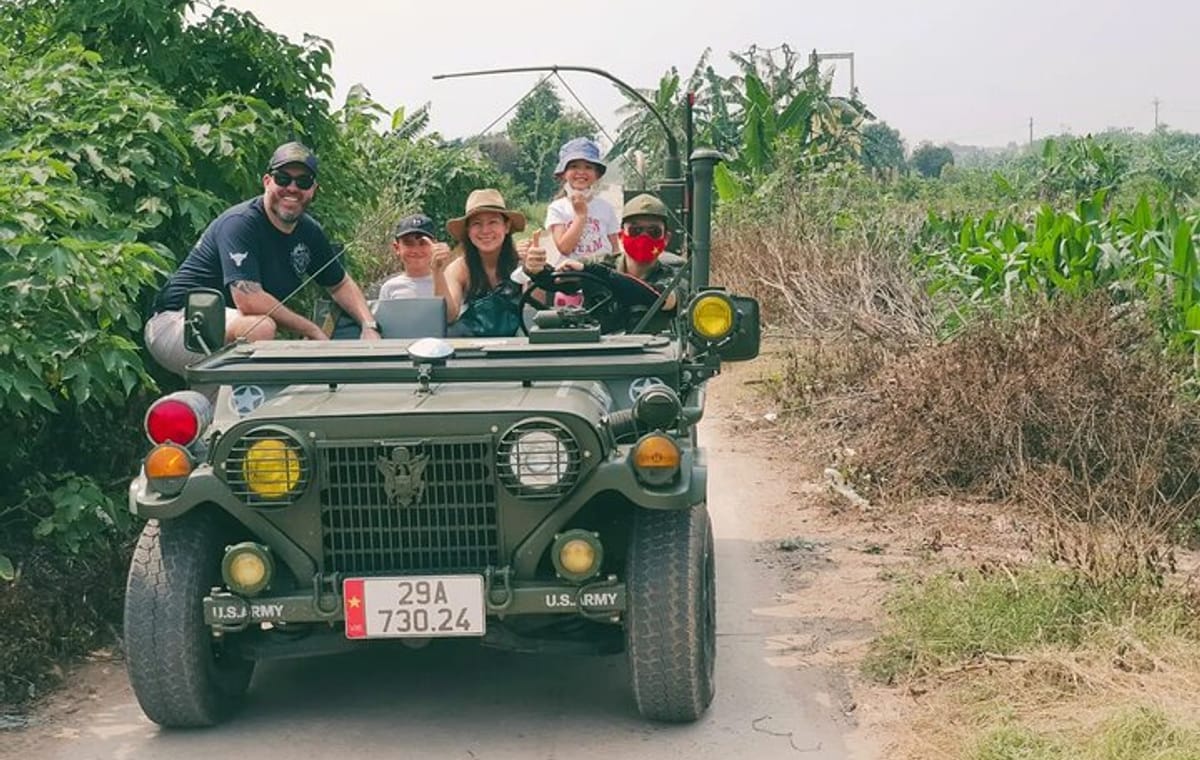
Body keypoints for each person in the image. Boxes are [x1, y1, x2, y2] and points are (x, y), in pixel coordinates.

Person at [144, 141, 380, 376]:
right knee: (261, 328)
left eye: (303, 182)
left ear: (314, 189)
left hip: (227, 329)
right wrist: (313, 330)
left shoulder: (310, 232)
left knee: (258, 378)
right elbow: (249, 300)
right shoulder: (240, 223)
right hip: (178, 324)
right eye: (283, 179)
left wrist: (369, 327)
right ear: (267, 181)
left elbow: (339, 283)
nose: (293, 188)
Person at [523, 193, 683, 334]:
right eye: (635, 231)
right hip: (597, 358)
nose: (644, 237)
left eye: (654, 232)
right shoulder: (599, 264)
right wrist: (535, 269)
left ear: (666, 239)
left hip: (653, 361)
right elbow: (557, 281)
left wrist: (596, 273)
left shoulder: (676, 275)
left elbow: (659, 299)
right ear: (621, 236)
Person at [435, 188, 526, 337]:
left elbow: (536, 308)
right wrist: (437, 271)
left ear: (507, 226)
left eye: (493, 222)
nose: (485, 230)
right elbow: (448, 316)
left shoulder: (522, 262)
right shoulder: (459, 268)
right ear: (468, 230)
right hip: (474, 350)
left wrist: (533, 270)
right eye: (477, 223)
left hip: (516, 348)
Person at [543, 137, 620, 308]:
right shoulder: (558, 208)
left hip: (601, 275)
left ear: (597, 174)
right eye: (574, 166)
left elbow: (615, 248)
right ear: (563, 173)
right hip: (571, 281)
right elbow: (564, 247)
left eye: (588, 167)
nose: (581, 172)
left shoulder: (605, 207)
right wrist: (580, 216)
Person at [378, 213, 451, 300]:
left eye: (423, 243)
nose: (416, 250)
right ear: (397, 248)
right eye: (409, 243)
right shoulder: (389, 288)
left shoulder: (448, 283)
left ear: (434, 245)